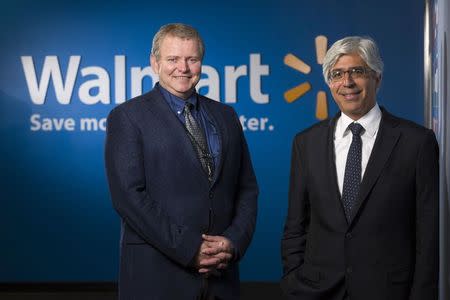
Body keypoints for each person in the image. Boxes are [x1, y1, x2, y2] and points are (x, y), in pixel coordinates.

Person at [105, 23, 258, 300]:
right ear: (155, 62)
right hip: (157, 278)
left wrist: (233, 242)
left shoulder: (226, 116)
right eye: (173, 59)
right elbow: (128, 197)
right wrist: (189, 248)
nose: (183, 68)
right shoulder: (127, 117)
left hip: (221, 279)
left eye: (192, 59)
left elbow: (246, 188)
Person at [281, 36, 438, 300]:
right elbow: (296, 225)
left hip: (388, 292)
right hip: (316, 292)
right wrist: (293, 281)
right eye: (337, 74)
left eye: (357, 71)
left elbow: (429, 234)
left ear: (377, 77)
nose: (347, 82)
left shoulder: (417, 143)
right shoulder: (306, 143)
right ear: (330, 83)